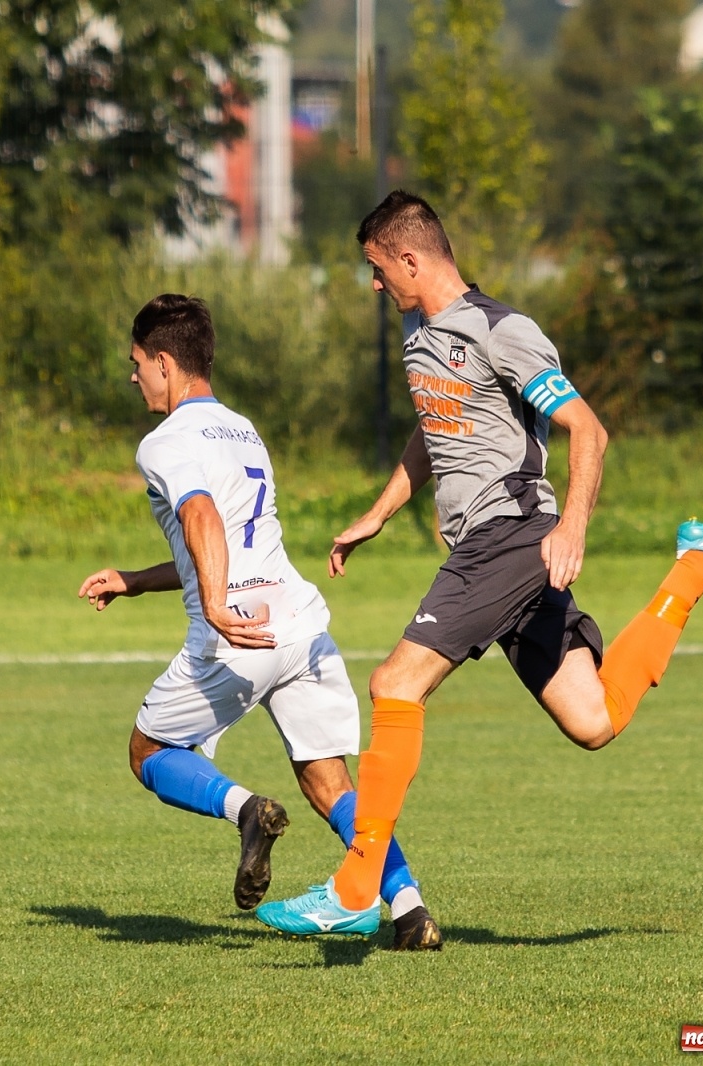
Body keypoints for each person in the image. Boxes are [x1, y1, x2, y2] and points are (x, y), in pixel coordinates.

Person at [254, 192, 703, 939]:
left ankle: (355, 888)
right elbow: (435, 432)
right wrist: (378, 514)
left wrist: (571, 526)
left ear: (410, 258)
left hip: (510, 536)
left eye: (378, 269)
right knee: (594, 718)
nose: (375, 285)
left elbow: (588, 429)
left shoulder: (502, 331)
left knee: (394, 684)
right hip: (498, 546)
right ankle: (700, 561)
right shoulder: (419, 333)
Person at [79, 293, 442, 950]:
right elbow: (221, 539)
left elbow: (202, 520)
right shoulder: (242, 428)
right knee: (329, 781)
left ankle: (246, 811)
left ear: (164, 362)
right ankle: (410, 908)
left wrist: (217, 607)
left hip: (238, 633)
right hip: (300, 625)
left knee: (149, 751)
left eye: (136, 363)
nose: (133, 377)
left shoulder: (164, 442)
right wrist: (135, 581)